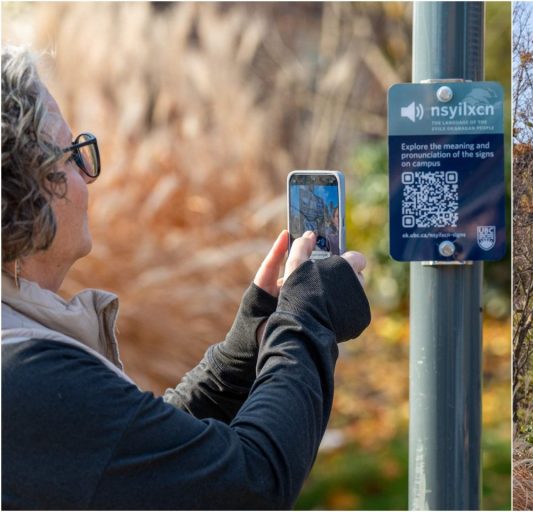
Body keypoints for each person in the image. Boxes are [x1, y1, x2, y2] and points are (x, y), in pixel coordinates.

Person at [1, 46, 371, 508]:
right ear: (28, 186)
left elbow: (142, 461)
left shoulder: (20, 347)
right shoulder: (24, 372)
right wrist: (307, 317)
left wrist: (239, 354)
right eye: (72, 155)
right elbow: (249, 485)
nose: (86, 175)